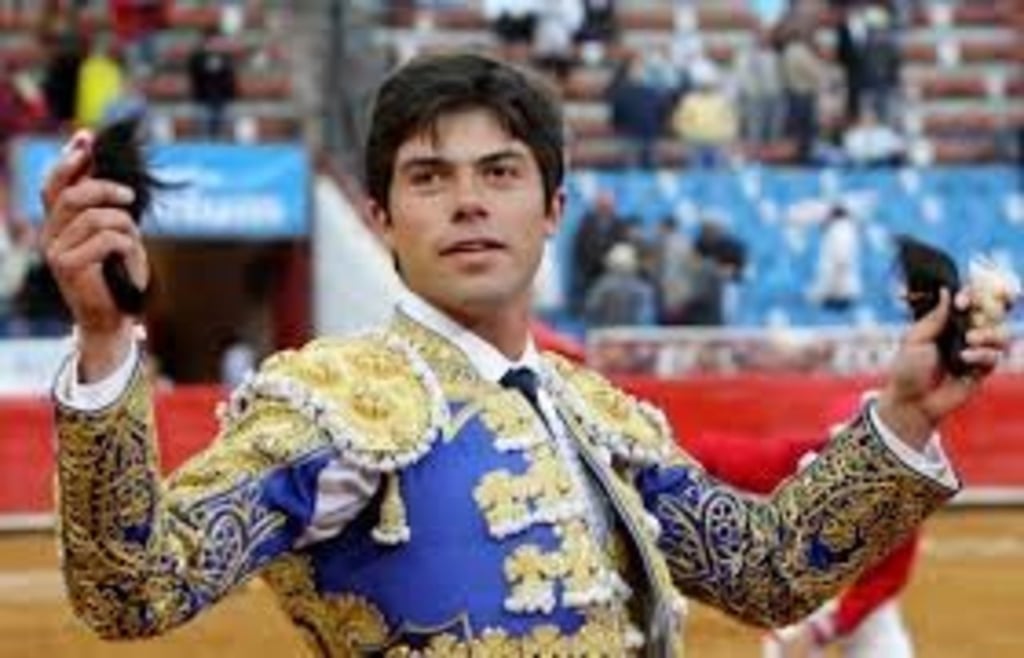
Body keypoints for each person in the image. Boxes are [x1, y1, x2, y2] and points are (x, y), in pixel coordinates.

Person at [42, 53, 1010, 656]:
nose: (467, 201)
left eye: (498, 173)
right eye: (429, 178)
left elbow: (767, 573)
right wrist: (101, 338)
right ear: (382, 218)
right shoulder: (332, 406)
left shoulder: (597, 414)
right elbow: (136, 590)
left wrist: (907, 415)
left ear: (551, 209)